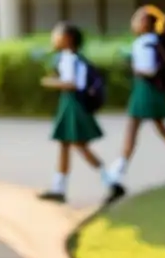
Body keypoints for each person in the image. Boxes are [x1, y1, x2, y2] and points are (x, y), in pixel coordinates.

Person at [38, 22, 123, 204]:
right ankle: (59, 188)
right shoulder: (68, 58)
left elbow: (72, 83)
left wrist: (51, 83)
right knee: (65, 145)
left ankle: (111, 182)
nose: (54, 38)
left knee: (79, 145)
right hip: (70, 104)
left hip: (73, 105)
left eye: (57, 35)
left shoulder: (70, 58)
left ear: (68, 39)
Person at [109, 5, 165, 187]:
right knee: (161, 128)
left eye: (137, 19)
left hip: (145, 89)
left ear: (145, 23)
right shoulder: (157, 41)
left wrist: (134, 67)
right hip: (152, 89)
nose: (134, 23)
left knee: (133, 127)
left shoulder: (143, 42)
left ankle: (120, 167)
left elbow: (148, 69)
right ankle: (120, 166)